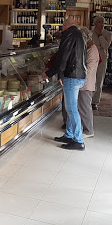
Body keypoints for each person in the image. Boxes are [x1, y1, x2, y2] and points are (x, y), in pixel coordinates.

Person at [42, 18, 87, 151]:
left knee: (72, 109)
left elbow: (63, 58)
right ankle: (69, 135)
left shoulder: (69, 35)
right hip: (79, 75)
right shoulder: (80, 35)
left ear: (66, 26)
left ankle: (78, 141)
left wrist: (50, 73)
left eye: (62, 27)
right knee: (70, 108)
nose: (61, 29)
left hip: (72, 76)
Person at [60, 27, 99, 138]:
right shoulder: (88, 48)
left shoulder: (92, 49)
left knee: (84, 107)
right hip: (83, 81)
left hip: (86, 83)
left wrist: (81, 81)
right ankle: (74, 129)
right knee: (78, 107)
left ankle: (88, 130)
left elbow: (89, 69)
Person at [91, 16, 112, 110]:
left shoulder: (108, 34)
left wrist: (100, 36)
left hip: (102, 58)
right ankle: (87, 99)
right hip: (90, 57)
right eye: (99, 22)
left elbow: (105, 45)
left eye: (103, 22)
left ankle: (95, 101)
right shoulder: (89, 32)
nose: (101, 24)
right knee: (89, 78)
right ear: (95, 23)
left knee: (99, 79)